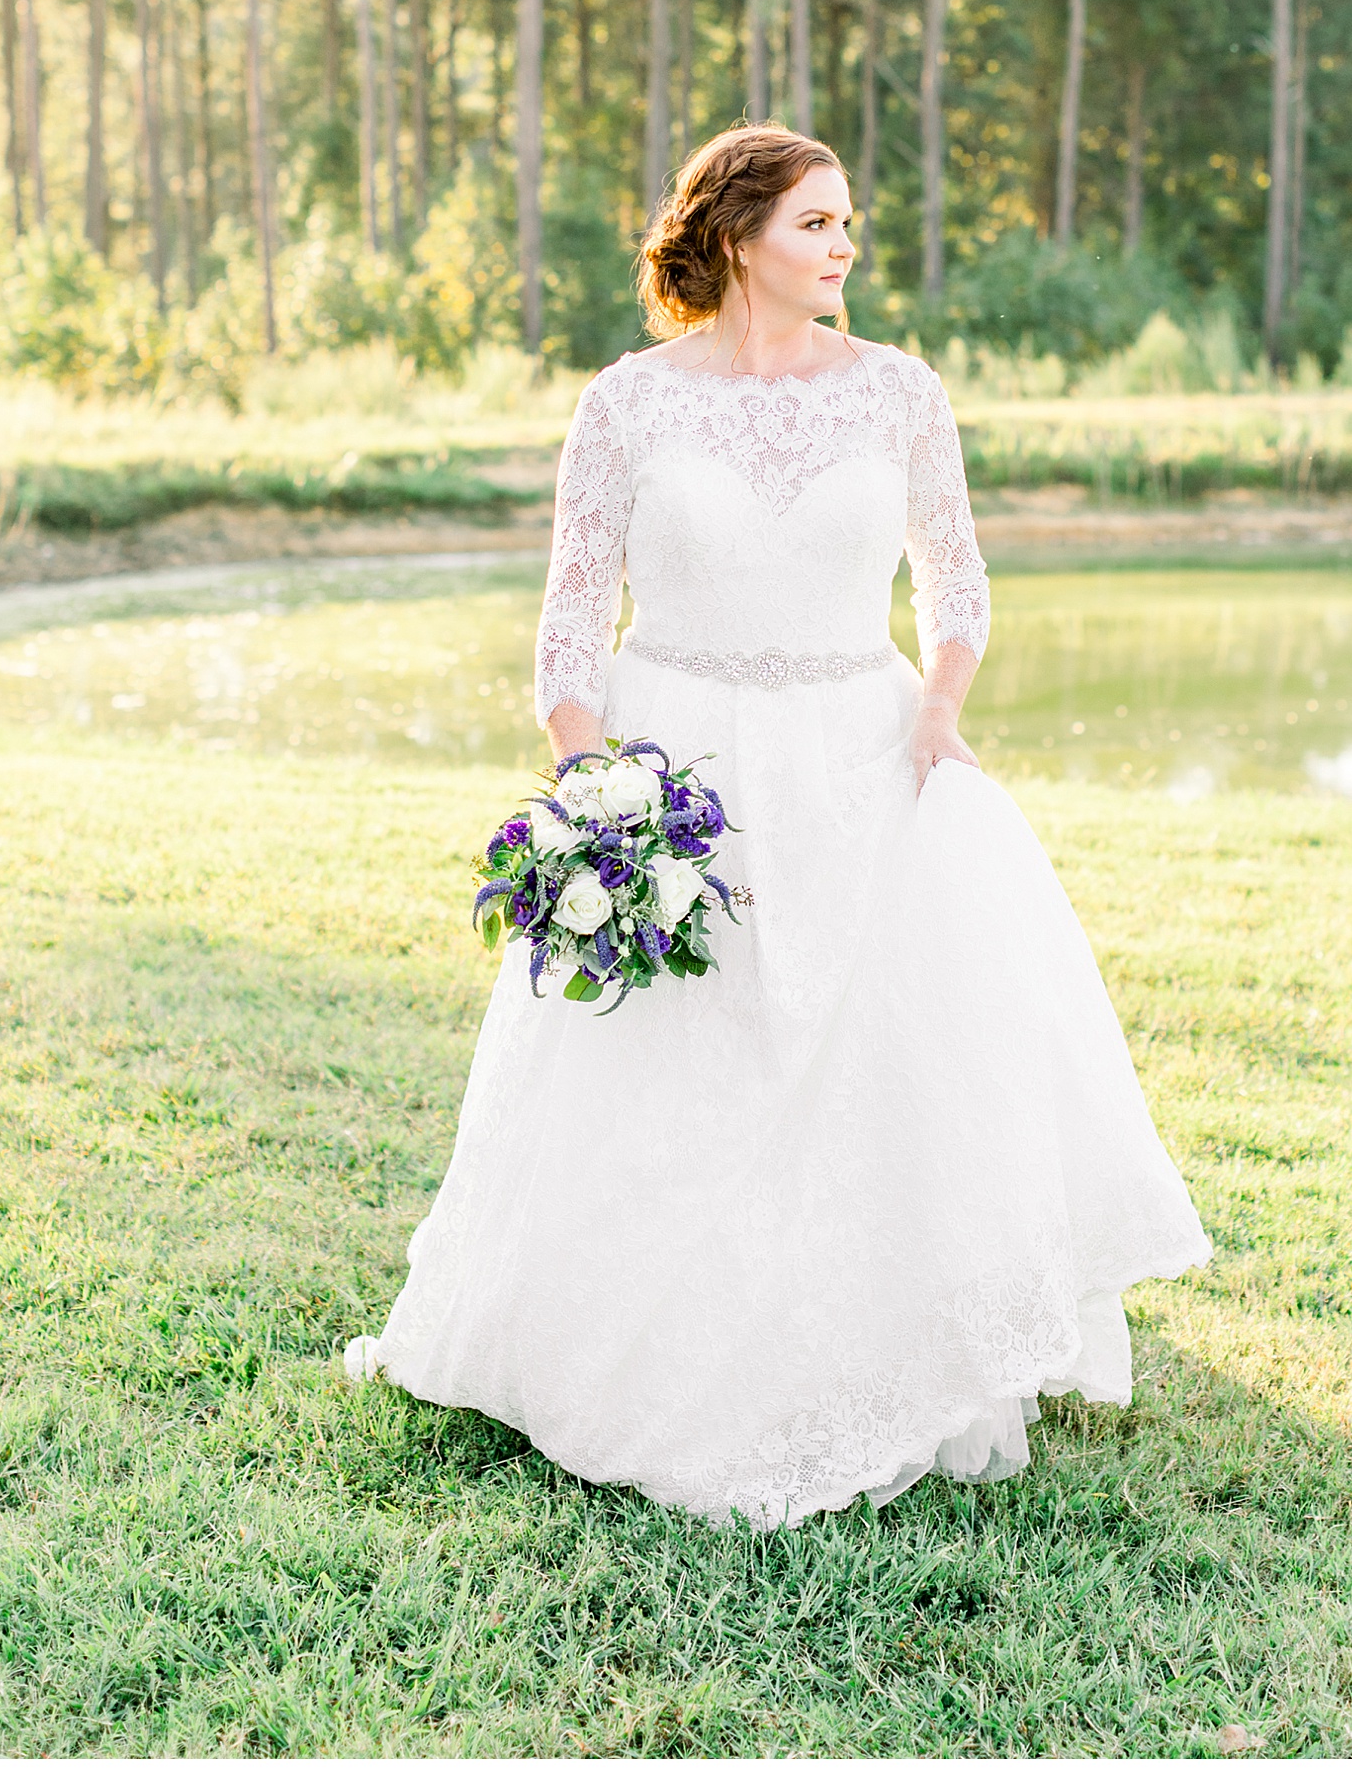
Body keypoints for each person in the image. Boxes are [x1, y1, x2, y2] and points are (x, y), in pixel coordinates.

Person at [347, 125, 1212, 1528]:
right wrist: (595, 784)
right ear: (739, 231)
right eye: (817, 221)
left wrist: (939, 706)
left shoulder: (899, 395)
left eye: (849, 223)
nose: (843, 245)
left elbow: (959, 580)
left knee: (874, 1059)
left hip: (863, 757)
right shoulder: (625, 405)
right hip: (676, 763)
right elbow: (571, 622)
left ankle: (887, 1339)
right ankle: (636, 1339)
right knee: (683, 1058)